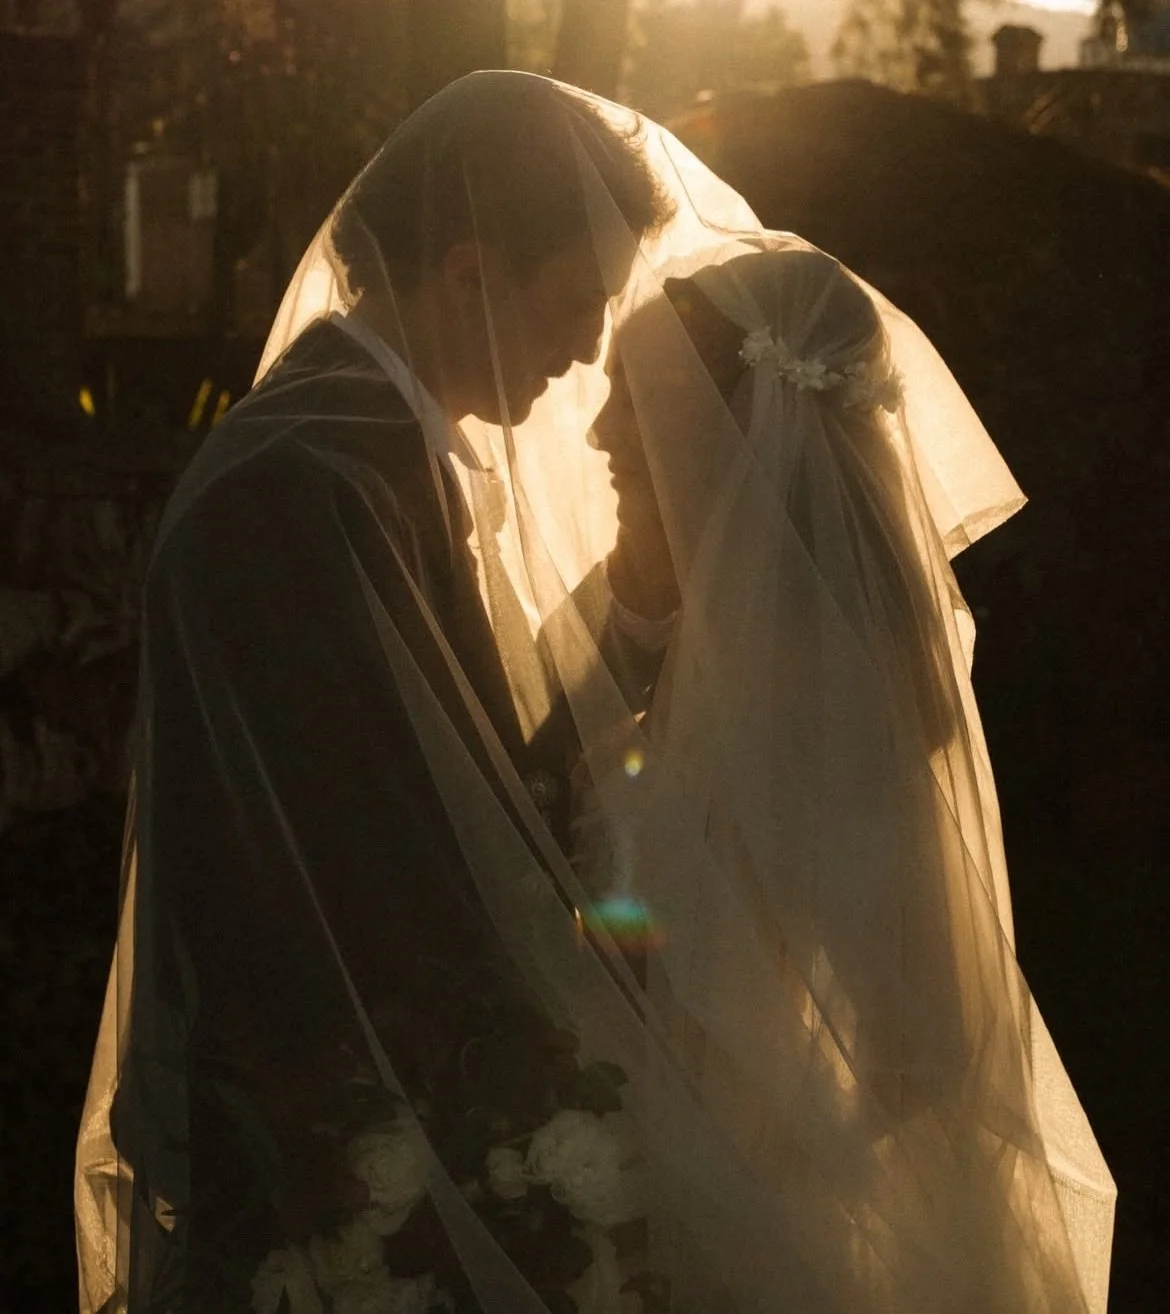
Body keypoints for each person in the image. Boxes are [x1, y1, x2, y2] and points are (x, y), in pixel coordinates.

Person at [76, 73, 1114, 1314]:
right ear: (467, 273)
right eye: (575, 308)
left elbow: (516, 802)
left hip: (597, 1192)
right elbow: (400, 882)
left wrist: (712, 1168)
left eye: (646, 404)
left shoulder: (374, 468)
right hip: (389, 1174)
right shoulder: (305, 490)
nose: (588, 381)